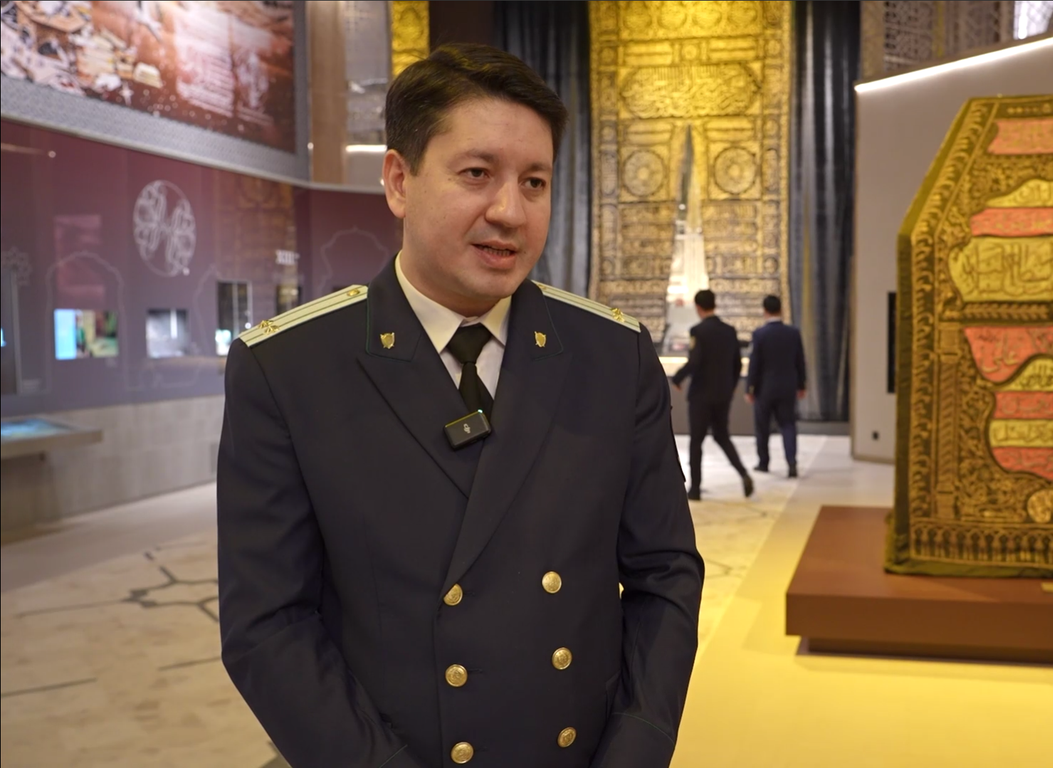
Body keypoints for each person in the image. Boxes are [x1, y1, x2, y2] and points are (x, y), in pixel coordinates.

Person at [216, 44, 702, 768]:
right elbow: (269, 623)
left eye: (534, 182)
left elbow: (665, 573)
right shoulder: (290, 367)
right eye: (477, 174)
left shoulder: (611, 355)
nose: (509, 211)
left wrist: (636, 748)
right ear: (398, 180)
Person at [671, 289, 753, 501]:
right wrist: (731, 386)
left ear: (698, 307)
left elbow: (695, 361)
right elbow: (737, 363)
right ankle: (743, 473)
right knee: (722, 436)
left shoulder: (698, 331)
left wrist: (678, 378)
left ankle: (695, 489)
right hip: (722, 394)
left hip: (701, 395)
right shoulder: (729, 330)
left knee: (696, 441)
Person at [745, 295, 807, 478]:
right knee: (788, 424)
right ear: (781, 309)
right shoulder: (793, 333)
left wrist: (749, 388)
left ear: (765, 311)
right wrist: (801, 384)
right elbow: (800, 361)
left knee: (762, 427)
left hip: (765, 388)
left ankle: (764, 462)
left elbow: (754, 364)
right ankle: (791, 462)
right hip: (787, 386)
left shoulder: (759, 334)